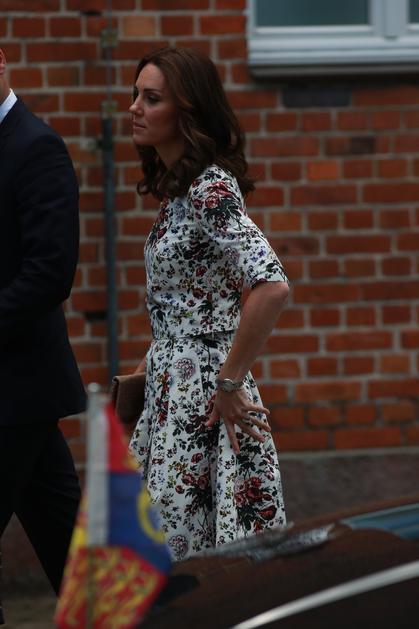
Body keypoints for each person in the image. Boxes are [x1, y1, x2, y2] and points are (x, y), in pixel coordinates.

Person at [128, 47, 289, 562]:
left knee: (187, 557)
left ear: (187, 112)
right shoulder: (178, 190)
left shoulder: (209, 189)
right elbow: (188, 304)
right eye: (136, 94)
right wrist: (150, 365)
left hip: (203, 393)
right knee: (162, 547)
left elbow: (271, 285)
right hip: (173, 388)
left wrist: (229, 382)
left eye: (151, 98)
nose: (134, 107)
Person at [0, 47, 86, 618]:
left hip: (18, 388)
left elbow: (50, 273)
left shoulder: (37, 147)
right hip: (16, 399)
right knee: (67, 542)